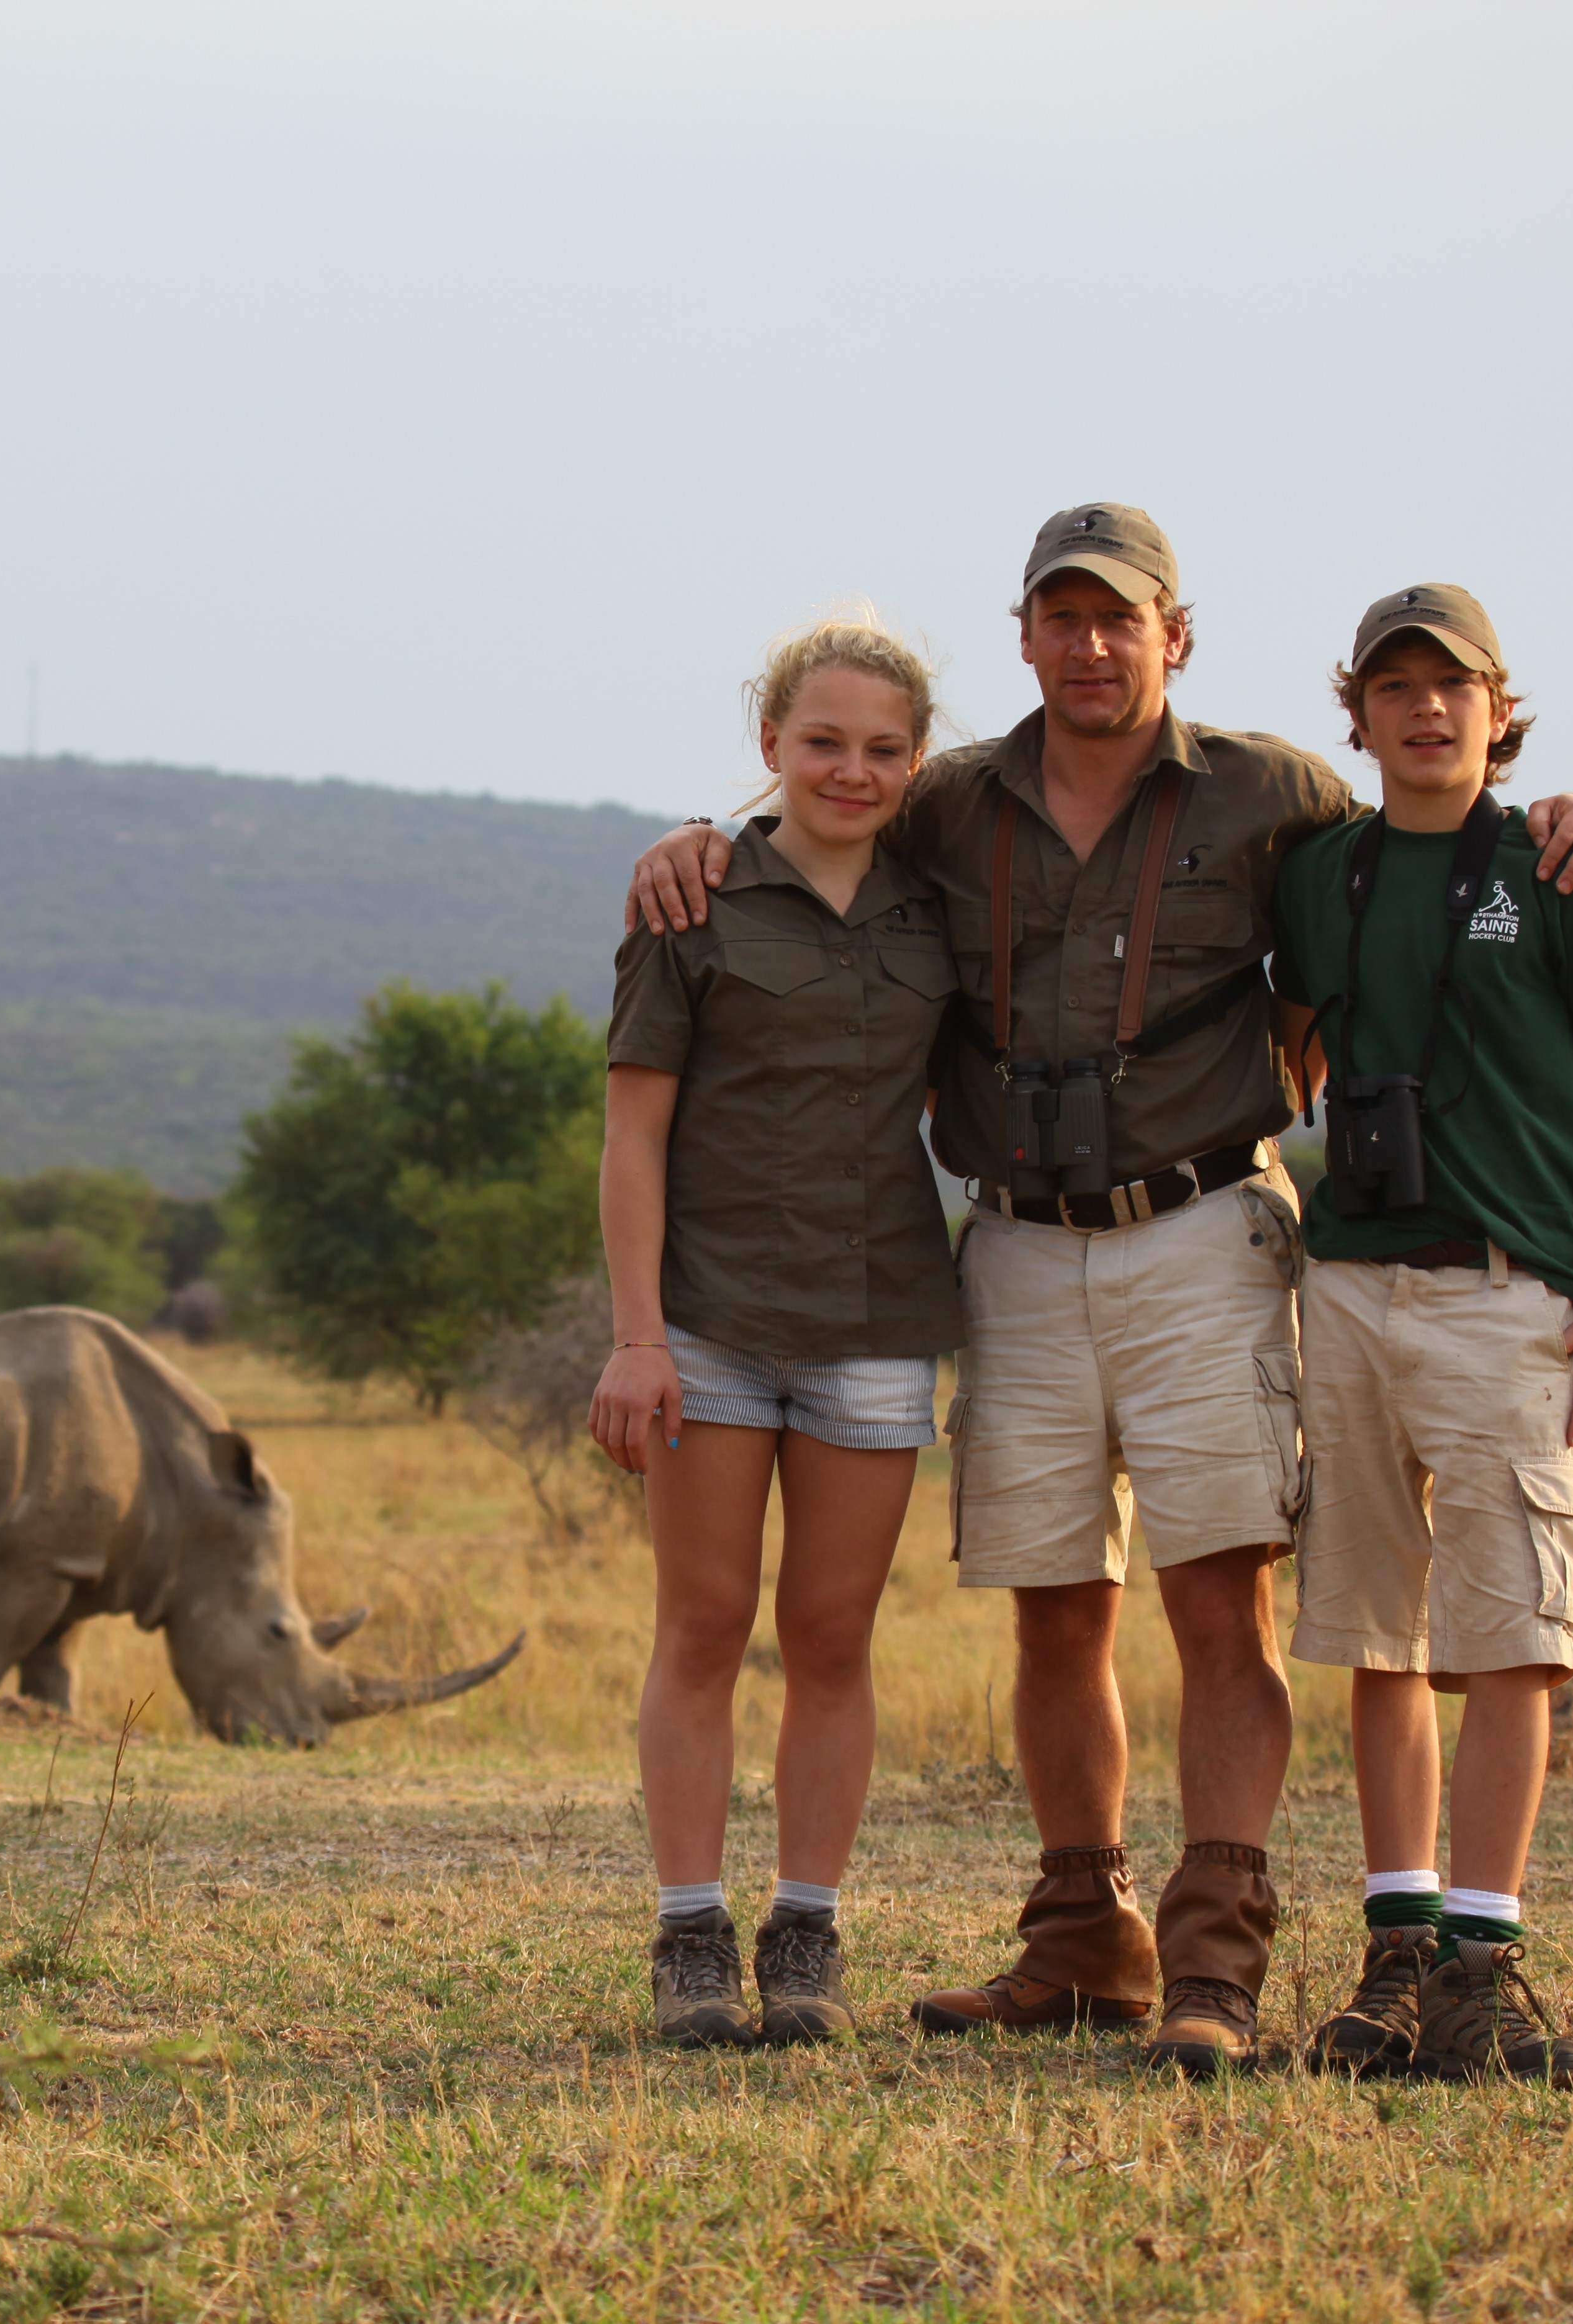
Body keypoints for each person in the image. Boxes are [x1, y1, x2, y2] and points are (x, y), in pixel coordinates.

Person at [625, 506, 1573, 2076]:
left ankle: (1217, 1965)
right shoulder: (953, 802)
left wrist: (1567, 816)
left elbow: (1417, 831)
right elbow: (816, 814)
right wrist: (694, 834)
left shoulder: (1273, 793)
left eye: (1123, 620)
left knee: (1217, 1600)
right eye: (1063, 618)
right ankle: (1084, 1938)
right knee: (1053, 1609)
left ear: (1179, 636)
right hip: (1017, 1239)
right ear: (1023, 636)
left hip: (1200, 1228)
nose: (1093, 647)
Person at [1274, 584, 1573, 2086]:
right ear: (1356, 714)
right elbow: (1290, 1036)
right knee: (1377, 1631)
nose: (1426, 710)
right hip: (1354, 1283)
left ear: (1502, 711)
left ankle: (1486, 1969)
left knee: (1514, 1636)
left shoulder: (1557, 865)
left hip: (1519, 1295)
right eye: (1396, 686)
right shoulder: (1321, 874)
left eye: (1457, 687)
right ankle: (1397, 1954)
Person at [590, 615, 962, 2047]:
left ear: (915, 765)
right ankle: (692, 1932)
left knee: (831, 1634)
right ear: (770, 748)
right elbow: (634, 1137)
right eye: (823, 742)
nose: (850, 771)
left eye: (881, 750)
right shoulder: (691, 905)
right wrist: (639, 1338)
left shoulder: (939, 915)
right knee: (703, 1623)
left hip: (876, 1321)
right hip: (712, 1321)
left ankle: (806, 1929)